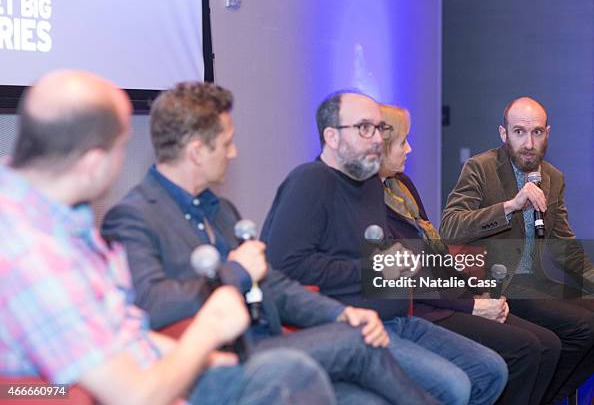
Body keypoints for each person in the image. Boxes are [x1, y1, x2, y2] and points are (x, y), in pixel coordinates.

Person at [0, 70, 336, 405]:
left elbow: (121, 331)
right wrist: (209, 331)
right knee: (291, 374)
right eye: (121, 148)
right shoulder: (34, 254)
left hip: (146, 372)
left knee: (289, 373)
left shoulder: (59, 218)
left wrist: (194, 357)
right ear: (92, 163)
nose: (122, 163)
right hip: (120, 392)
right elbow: (133, 395)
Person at [102, 81, 436, 405]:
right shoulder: (134, 217)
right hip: (215, 362)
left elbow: (275, 285)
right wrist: (234, 272)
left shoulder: (220, 210)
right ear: (197, 152)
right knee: (358, 341)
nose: (234, 153)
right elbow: (151, 303)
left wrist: (342, 313)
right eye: (226, 143)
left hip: (268, 344)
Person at [261, 89, 509, 405]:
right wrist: (375, 268)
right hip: (350, 329)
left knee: (491, 370)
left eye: (380, 128)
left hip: (399, 319)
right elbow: (285, 266)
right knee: (455, 386)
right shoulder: (311, 181)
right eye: (365, 128)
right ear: (332, 137)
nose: (377, 138)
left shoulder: (369, 187)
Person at [378, 104, 561, 405]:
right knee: (526, 348)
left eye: (537, 132)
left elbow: (434, 258)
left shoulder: (403, 186)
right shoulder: (370, 199)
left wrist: (476, 291)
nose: (410, 149)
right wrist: (471, 305)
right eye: (403, 142)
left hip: (451, 294)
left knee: (548, 345)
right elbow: (408, 269)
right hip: (425, 309)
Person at [440, 96, 594, 402]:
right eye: (519, 132)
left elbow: (564, 245)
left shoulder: (553, 178)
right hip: (498, 284)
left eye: (537, 133)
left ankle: (545, 394)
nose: (529, 143)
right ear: (504, 134)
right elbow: (450, 226)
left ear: (548, 133)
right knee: (583, 327)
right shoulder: (480, 168)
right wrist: (510, 207)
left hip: (537, 282)